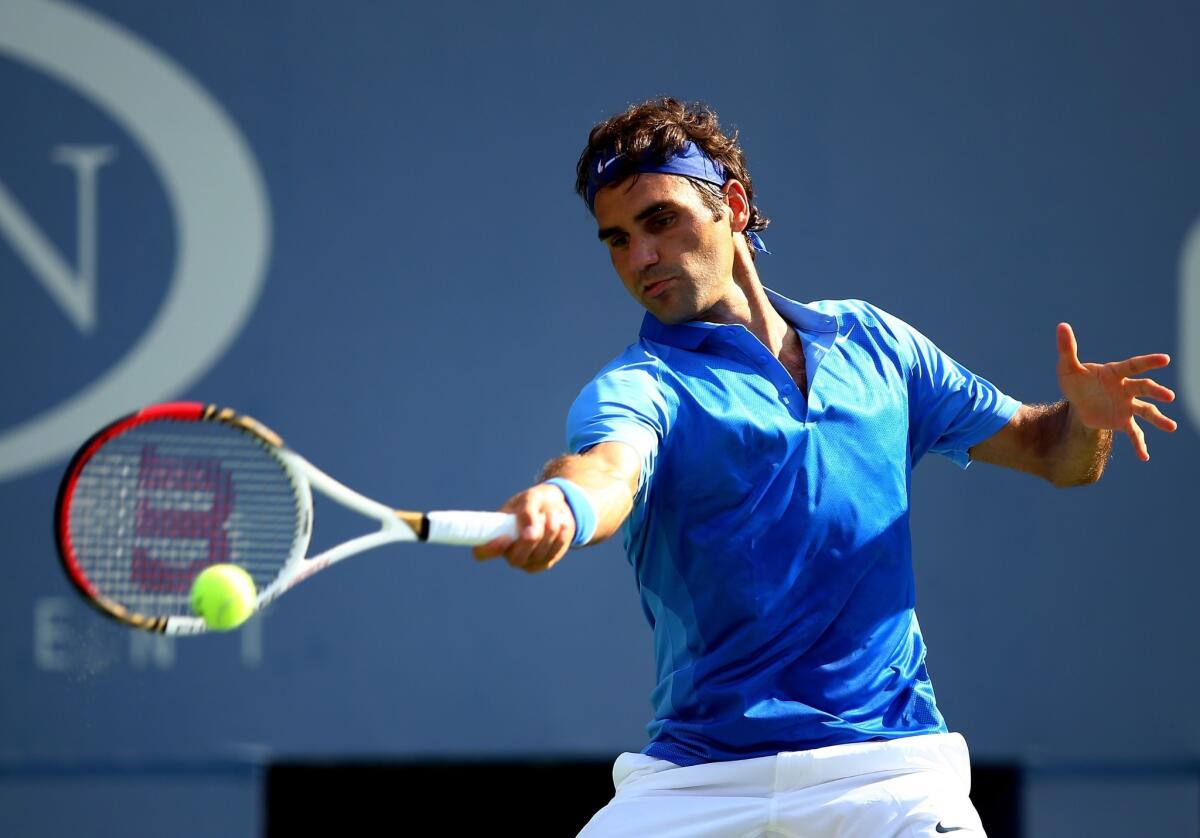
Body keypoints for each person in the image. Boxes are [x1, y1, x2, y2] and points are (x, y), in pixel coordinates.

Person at [473, 98, 1177, 837]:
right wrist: (565, 501)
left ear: (733, 208)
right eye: (616, 239)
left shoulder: (878, 346)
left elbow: (1054, 458)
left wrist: (1086, 423)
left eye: (659, 220)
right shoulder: (638, 386)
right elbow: (608, 470)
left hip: (891, 774)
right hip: (699, 783)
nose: (639, 257)